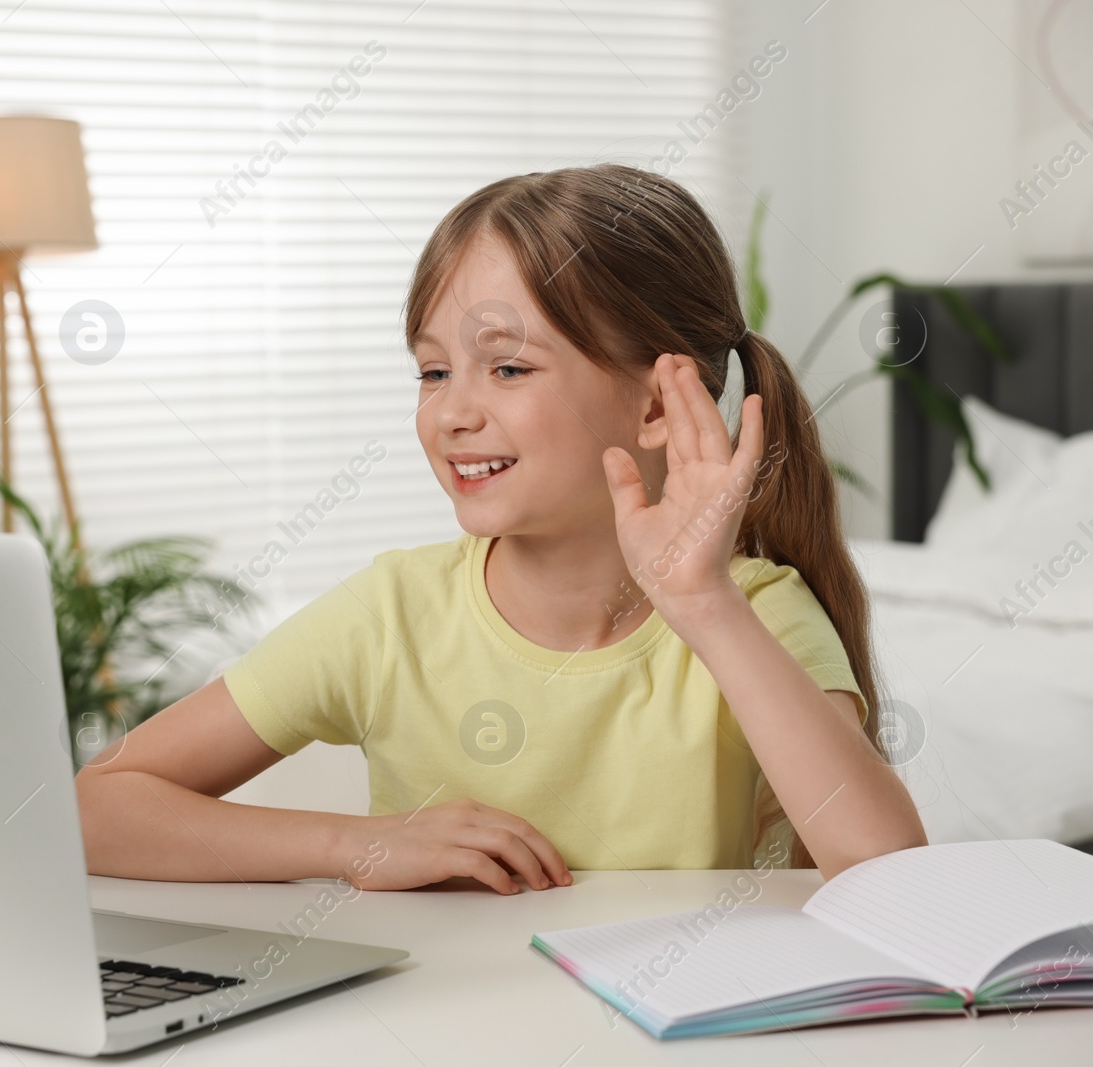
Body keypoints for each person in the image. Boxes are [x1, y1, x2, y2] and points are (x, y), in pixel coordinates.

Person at [76, 163, 926, 894]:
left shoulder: (751, 612)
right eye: (434, 370)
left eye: (509, 367)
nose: (451, 412)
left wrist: (700, 600)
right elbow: (94, 806)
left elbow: (889, 869)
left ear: (659, 401)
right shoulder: (391, 614)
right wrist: (356, 845)